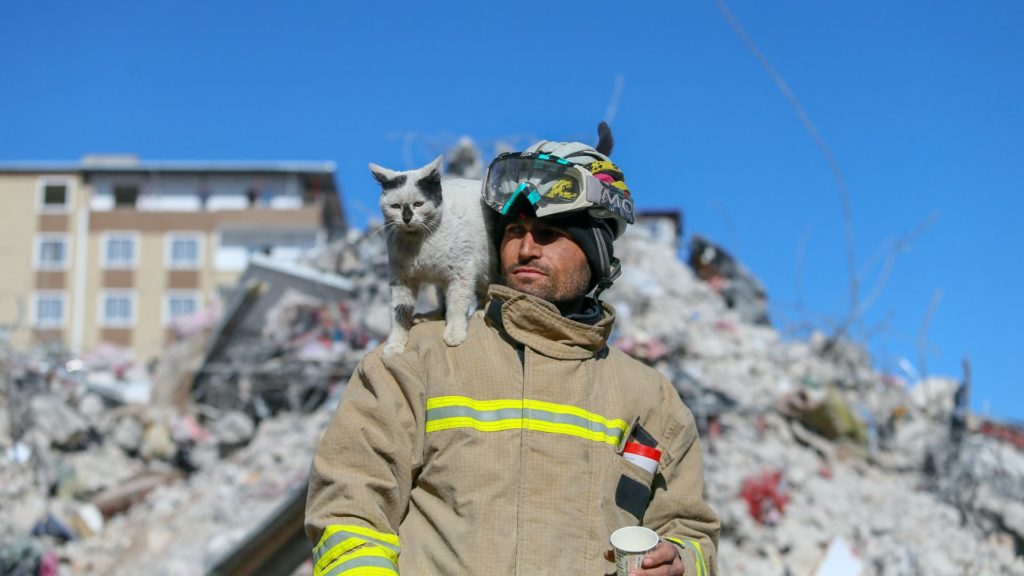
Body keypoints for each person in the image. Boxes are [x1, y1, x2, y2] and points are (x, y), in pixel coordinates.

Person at [305, 138, 720, 575]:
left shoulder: (651, 400)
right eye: (514, 232)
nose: (525, 250)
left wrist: (681, 563)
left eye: (549, 234)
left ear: (597, 252)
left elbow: (690, 530)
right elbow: (349, 509)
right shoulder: (416, 360)